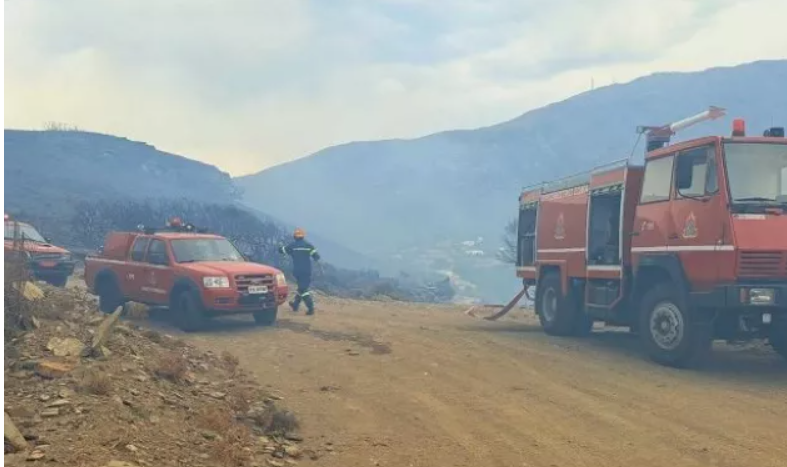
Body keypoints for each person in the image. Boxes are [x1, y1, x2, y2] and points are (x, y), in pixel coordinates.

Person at [279, 228, 321, 315]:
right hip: (306, 271)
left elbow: (282, 250)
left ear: (295, 236)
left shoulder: (292, 246)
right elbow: (316, 257)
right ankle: (310, 308)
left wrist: (279, 247)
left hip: (297, 271)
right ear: (303, 236)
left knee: (301, 288)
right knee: (303, 289)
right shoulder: (308, 246)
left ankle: (296, 305)